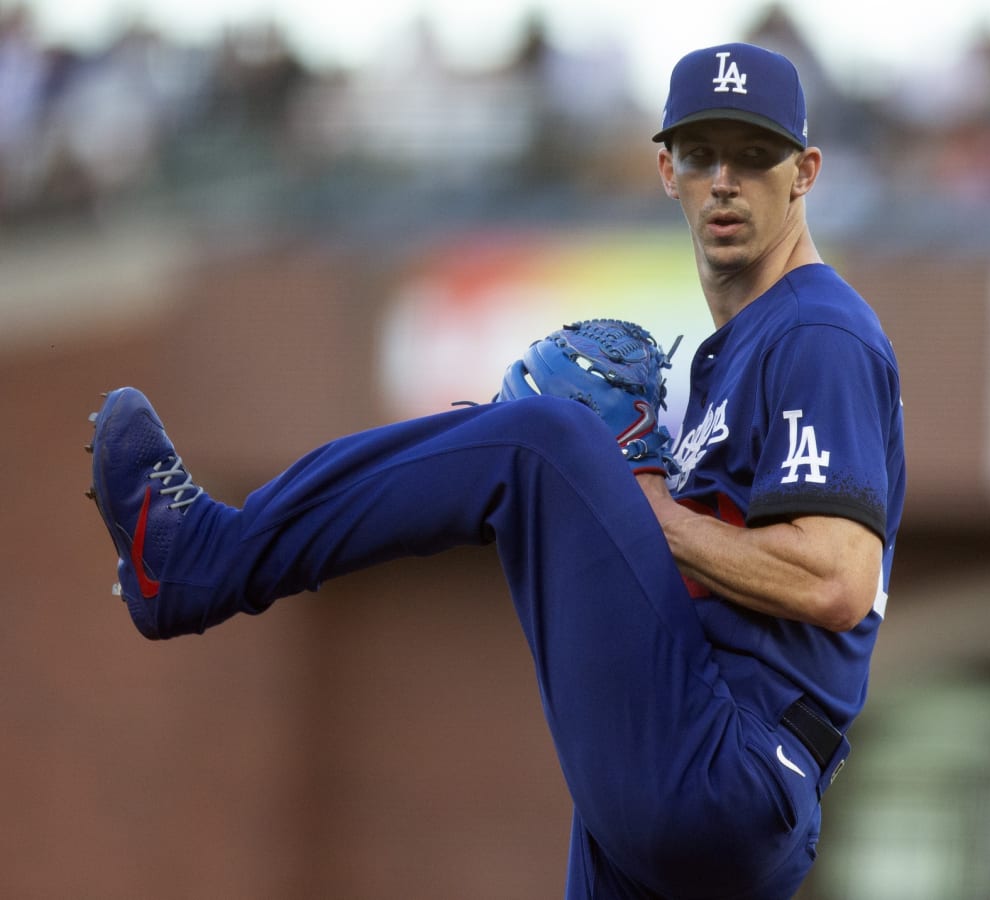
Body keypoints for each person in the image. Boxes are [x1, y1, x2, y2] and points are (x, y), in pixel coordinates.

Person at [87, 42, 905, 900]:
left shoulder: (817, 331)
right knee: (553, 460)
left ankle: (201, 559)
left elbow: (837, 580)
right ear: (667, 170)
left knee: (539, 443)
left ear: (805, 170)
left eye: (755, 154)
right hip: (704, 785)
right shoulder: (729, 357)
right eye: (702, 154)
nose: (725, 178)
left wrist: (629, 504)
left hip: (732, 764)